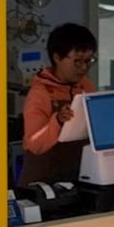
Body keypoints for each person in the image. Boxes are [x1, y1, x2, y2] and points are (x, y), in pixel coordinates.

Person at [19, 23, 97, 183]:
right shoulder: (40, 94)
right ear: (57, 58)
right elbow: (34, 145)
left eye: (89, 60)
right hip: (43, 182)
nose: (84, 68)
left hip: (77, 176)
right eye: (77, 61)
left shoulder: (86, 86)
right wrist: (58, 121)